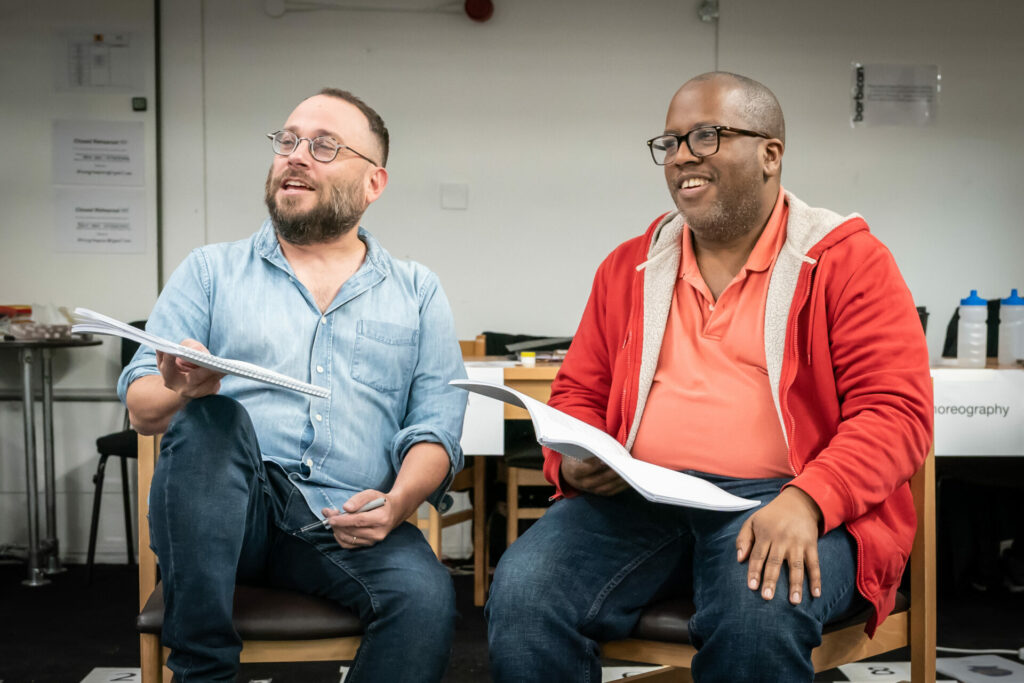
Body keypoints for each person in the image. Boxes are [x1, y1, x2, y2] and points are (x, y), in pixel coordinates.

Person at [486, 72, 933, 682]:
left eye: (706, 135)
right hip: (642, 500)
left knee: (757, 607)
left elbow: (895, 413)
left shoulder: (848, 262)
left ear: (770, 154)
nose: (681, 158)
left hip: (785, 498)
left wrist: (808, 499)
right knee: (526, 588)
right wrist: (575, 459)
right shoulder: (628, 268)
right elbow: (579, 395)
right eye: (669, 143)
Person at [119, 88, 467, 682]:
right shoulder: (210, 272)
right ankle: (204, 674)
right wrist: (183, 388)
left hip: (348, 524)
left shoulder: (417, 291)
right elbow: (141, 408)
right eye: (288, 141)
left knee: (426, 598)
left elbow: (436, 425)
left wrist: (399, 503)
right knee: (214, 418)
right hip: (232, 517)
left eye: (324, 145)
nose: (296, 155)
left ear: (373, 183)